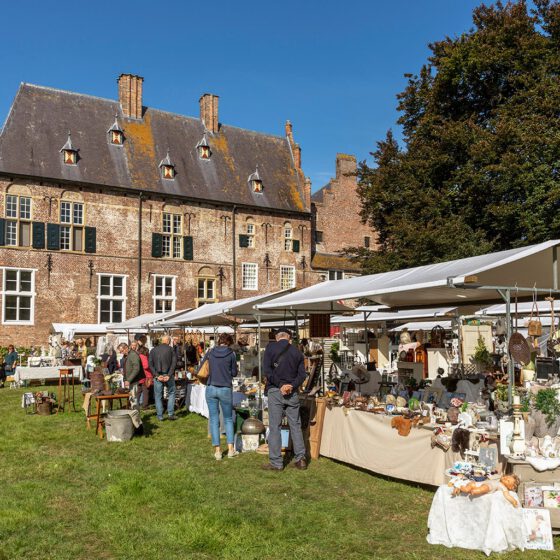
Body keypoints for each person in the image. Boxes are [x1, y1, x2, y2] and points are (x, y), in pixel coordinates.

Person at [262, 328, 308, 471]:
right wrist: (291, 386)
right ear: (289, 338)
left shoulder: (270, 348)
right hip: (292, 392)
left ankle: (276, 463)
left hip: (275, 390)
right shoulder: (297, 352)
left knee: (275, 426)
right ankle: (301, 459)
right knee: (295, 425)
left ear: (277, 337)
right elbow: (302, 375)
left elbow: (267, 371)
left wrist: (282, 385)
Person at [198, 332, 238, 460]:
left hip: (211, 388)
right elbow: (234, 372)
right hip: (225, 388)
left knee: (214, 419)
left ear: (219, 341)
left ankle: (217, 451)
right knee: (227, 419)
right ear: (229, 342)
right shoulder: (231, 354)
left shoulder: (210, 352)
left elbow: (202, 367)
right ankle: (231, 449)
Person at [149, 335, 177, 421]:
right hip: (166, 374)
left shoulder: (153, 350)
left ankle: (160, 416)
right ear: (168, 341)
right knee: (171, 393)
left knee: (158, 395)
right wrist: (168, 374)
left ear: (162, 341)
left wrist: (157, 375)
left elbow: (150, 364)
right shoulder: (171, 349)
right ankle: (170, 414)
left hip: (160, 374)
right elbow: (174, 363)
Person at [118, 342, 145, 411]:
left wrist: (129, 380)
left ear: (126, 348)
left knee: (134, 400)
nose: (121, 353)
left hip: (134, 380)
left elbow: (136, 368)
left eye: (121, 351)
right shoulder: (127, 355)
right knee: (132, 399)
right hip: (131, 380)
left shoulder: (133, 355)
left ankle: (136, 419)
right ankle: (135, 417)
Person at [138, 346, 153, 410]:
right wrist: (151, 365)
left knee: (139, 391)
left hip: (140, 376)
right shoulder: (143, 356)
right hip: (146, 375)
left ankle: (135, 403)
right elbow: (146, 366)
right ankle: (145, 405)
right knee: (146, 391)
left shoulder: (138, 356)